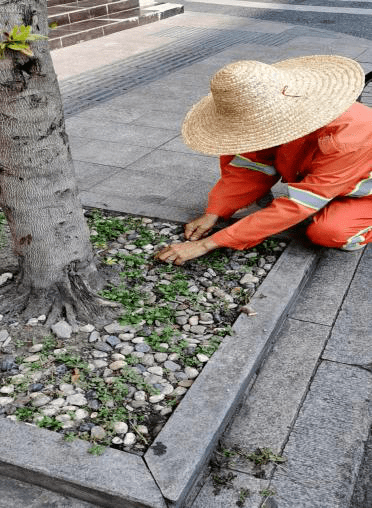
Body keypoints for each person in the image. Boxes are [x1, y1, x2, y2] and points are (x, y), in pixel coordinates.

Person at [155, 55, 372, 266]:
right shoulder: (279, 110)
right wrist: (215, 212)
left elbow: (299, 205)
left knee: (329, 233)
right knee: (240, 149)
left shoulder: (352, 137)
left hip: (364, 194)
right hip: (334, 178)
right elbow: (249, 165)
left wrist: (208, 244)